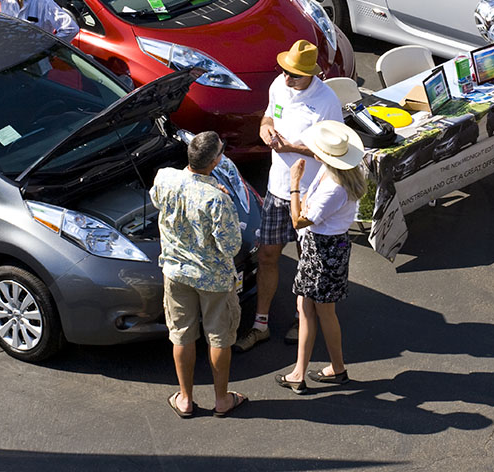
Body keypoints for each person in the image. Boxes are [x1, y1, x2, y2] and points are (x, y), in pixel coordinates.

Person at [233, 39, 342, 352]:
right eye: (284, 71)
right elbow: (269, 116)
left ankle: (301, 320)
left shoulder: (326, 101)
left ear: (310, 74)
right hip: (278, 188)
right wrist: (265, 128)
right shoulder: (279, 86)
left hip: (310, 194)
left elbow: (334, 150)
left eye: (294, 74)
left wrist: (291, 147)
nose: (286, 77)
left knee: (308, 263)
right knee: (268, 255)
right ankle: (260, 324)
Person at [150, 131, 247, 418]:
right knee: (219, 337)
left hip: (176, 273)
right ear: (215, 161)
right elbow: (230, 245)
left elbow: (157, 201)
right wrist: (223, 199)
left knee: (181, 335)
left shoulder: (164, 177)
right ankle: (221, 400)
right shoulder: (216, 198)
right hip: (213, 279)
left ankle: (185, 399)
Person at [273, 120, 365, 395]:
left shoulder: (333, 188)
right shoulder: (340, 172)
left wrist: (294, 184)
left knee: (319, 311)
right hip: (326, 249)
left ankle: (323, 369)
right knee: (309, 309)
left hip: (322, 251)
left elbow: (298, 220)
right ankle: (310, 371)